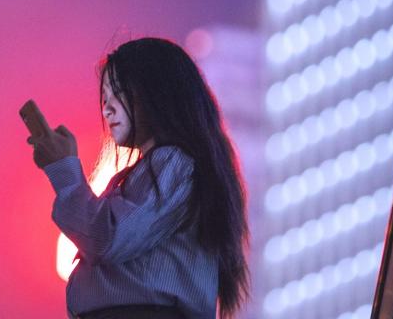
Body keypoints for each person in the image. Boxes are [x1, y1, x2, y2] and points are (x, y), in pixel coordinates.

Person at [26, 37, 249, 319]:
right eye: (104, 97)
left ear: (158, 93)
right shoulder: (166, 167)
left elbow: (108, 237)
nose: (107, 109)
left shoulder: (173, 163)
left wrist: (64, 170)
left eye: (118, 93)